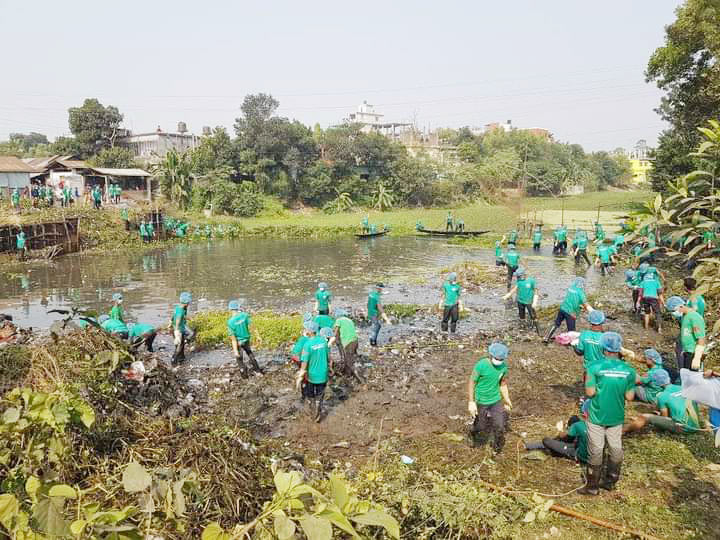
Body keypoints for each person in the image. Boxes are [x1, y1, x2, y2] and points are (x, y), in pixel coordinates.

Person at [579, 332, 636, 495]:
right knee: (615, 448)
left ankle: (592, 487)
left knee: (596, 449)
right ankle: (610, 481)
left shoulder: (593, 368)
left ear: (603, 348)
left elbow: (589, 393)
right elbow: (629, 397)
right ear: (619, 349)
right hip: (616, 417)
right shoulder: (629, 371)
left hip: (596, 416)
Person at [467, 342, 513, 454]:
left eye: (501, 359)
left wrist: (507, 399)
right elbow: (472, 382)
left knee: (500, 426)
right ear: (491, 355)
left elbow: (502, 383)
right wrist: (471, 402)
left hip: (496, 400)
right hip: (481, 400)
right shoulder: (481, 365)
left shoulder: (503, 367)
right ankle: (472, 433)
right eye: (497, 358)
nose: (499, 360)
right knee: (481, 426)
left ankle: (496, 449)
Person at [624, 370, 701, 434]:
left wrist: (656, 418)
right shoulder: (682, 388)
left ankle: (623, 430)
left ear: (656, 383)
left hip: (683, 428)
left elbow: (665, 418)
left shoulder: (662, 396)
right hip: (695, 425)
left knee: (644, 417)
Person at [295, 321, 331, 422]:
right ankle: (318, 414)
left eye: (306, 329)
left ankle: (313, 413)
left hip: (312, 376)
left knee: (310, 395)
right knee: (320, 396)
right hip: (323, 374)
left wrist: (300, 376)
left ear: (309, 331)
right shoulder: (323, 341)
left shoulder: (307, 345)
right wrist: (330, 368)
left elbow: (304, 363)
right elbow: (328, 357)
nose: (305, 330)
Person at [544, 277, 594, 343]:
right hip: (570, 313)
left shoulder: (571, 288)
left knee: (556, 323)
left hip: (562, 309)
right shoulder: (580, 293)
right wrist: (593, 312)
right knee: (572, 330)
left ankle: (547, 337)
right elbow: (586, 304)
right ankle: (573, 343)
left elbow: (572, 300)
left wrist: (580, 306)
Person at [524, 413, 589, 463]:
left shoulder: (579, 425)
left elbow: (563, 436)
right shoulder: (596, 425)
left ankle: (528, 446)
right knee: (574, 419)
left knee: (546, 441)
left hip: (578, 454)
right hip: (590, 453)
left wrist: (560, 430)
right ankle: (529, 446)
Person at [666, 296, 706, 371]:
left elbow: (701, 338)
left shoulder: (694, 317)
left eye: (674, 310)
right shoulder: (685, 317)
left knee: (693, 378)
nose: (674, 313)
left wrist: (697, 357)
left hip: (693, 353)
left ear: (681, 306)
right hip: (687, 352)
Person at [227, 299, 263, 378]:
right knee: (250, 353)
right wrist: (258, 336)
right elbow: (252, 327)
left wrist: (235, 351)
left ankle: (244, 376)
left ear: (230, 309)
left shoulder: (230, 322)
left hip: (238, 342)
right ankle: (258, 371)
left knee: (239, 359)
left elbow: (233, 339)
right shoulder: (245, 315)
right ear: (238, 308)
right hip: (246, 340)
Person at [573, 310, 606, 377]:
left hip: (588, 369)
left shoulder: (584, 334)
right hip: (601, 370)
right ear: (602, 321)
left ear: (590, 321)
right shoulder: (605, 337)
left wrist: (573, 345)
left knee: (588, 386)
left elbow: (579, 352)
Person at [331, 308, 360, 380]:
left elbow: (335, 332)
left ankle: (352, 376)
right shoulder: (349, 320)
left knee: (348, 360)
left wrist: (331, 340)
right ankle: (349, 372)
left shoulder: (339, 320)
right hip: (355, 341)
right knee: (350, 357)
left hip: (349, 342)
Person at [171, 292, 193, 364]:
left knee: (181, 344)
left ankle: (181, 358)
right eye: (189, 302)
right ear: (186, 302)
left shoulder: (179, 308)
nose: (189, 304)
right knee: (179, 346)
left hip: (180, 328)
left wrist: (188, 318)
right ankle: (173, 360)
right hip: (178, 329)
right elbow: (178, 319)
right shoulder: (181, 311)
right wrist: (177, 332)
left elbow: (173, 317)